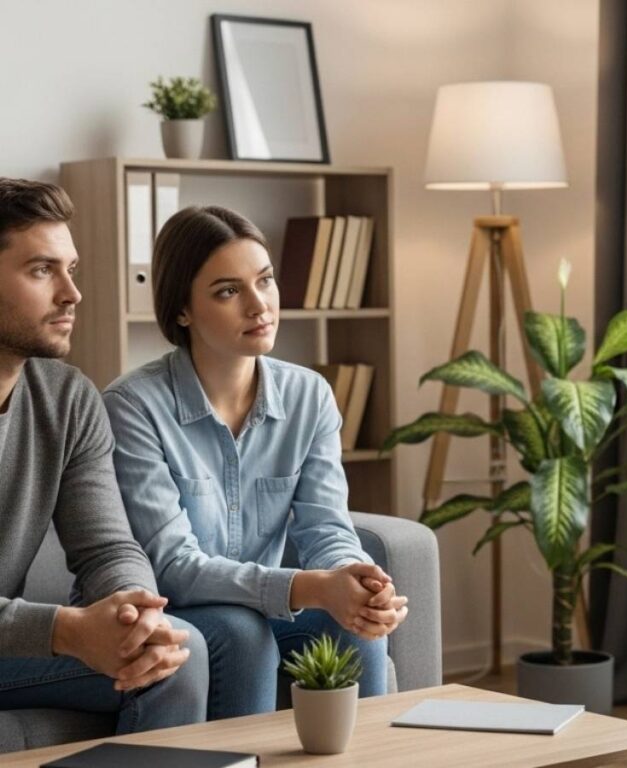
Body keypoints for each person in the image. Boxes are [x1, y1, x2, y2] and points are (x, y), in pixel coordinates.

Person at [103, 205, 409, 720]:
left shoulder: (309, 395)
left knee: (355, 623)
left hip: (262, 604)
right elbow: (172, 568)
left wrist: (355, 579)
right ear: (182, 310)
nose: (258, 305)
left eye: (265, 281)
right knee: (241, 631)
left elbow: (326, 528)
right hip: (176, 611)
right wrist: (309, 587)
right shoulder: (133, 406)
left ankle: (372, 756)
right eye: (228, 291)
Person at [0, 178, 207, 737]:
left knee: (177, 654)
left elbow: (106, 547)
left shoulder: (68, 398)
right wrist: (66, 630)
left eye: (71, 269)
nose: (72, 293)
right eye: (42, 270)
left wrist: (135, 615)